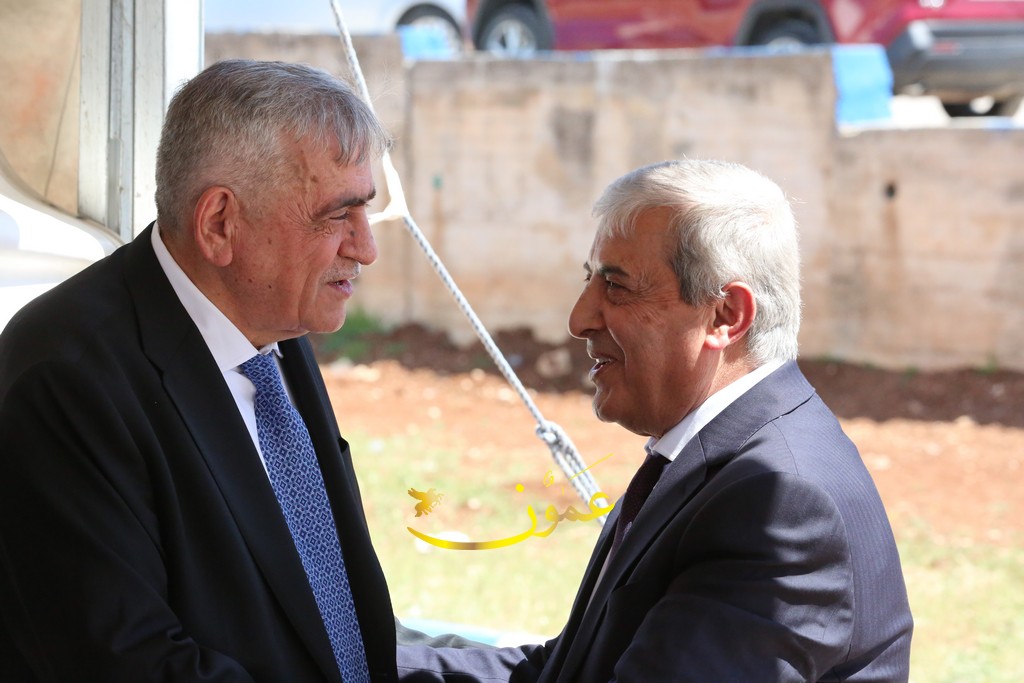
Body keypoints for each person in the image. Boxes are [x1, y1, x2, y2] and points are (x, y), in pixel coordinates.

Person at [397, 159, 914, 682]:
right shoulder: (710, 464)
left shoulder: (777, 501)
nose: (579, 319)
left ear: (725, 316)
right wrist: (358, 659)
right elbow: (568, 672)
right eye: (590, 279)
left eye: (617, 287)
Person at [0, 60, 400, 682]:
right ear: (219, 224)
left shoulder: (272, 321)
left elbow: (320, 618)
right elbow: (130, 663)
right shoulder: (65, 381)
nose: (365, 247)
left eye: (364, 210)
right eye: (335, 215)